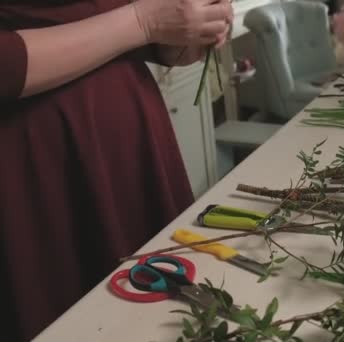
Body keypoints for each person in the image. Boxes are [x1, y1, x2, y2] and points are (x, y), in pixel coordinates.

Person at [0, 0, 233, 340]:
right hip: (38, 172)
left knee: (167, 318)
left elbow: (152, 41)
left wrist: (195, 23)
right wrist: (144, 20)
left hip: (132, 150)